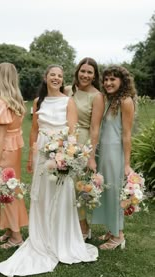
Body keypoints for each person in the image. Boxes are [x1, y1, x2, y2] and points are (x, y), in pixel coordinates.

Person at [0, 64, 98, 277]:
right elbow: (33, 131)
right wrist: (32, 156)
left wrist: (67, 157)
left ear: (62, 79)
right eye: (52, 75)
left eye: (59, 75)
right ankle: (42, 236)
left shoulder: (68, 101)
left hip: (60, 152)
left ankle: (61, 238)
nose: (56, 78)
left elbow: (73, 132)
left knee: (61, 196)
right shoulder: (38, 102)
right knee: (41, 197)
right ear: (46, 77)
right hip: (42, 151)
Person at [92, 65, 136, 250]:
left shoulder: (126, 101)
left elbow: (126, 135)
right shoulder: (110, 100)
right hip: (104, 152)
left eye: (113, 79)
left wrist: (126, 164)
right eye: (106, 79)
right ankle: (111, 229)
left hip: (115, 154)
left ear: (122, 81)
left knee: (114, 191)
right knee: (107, 191)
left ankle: (119, 236)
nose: (108, 83)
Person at [0, 62, 28, 249]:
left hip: (6, 151)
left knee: (7, 192)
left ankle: (17, 237)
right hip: (16, 149)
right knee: (12, 188)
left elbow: (2, 138)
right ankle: (9, 229)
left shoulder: (2, 103)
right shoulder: (17, 101)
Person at [65, 57, 104, 240]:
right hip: (64, 140)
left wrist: (91, 156)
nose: (85, 75)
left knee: (78, 187)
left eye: (90, 72)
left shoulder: (97, 96)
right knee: (63, 185)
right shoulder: (68, 90)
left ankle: (83, 227)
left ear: (94, 75)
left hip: (83, 143)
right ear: (77, 71)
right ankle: (65, 225)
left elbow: (95, 128)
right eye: (83, 71)